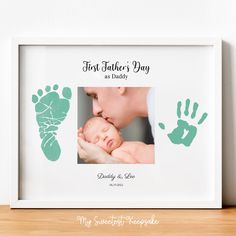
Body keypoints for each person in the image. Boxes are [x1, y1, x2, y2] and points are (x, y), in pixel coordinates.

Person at [77, 87, 155, 164]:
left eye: (96, 96)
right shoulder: (118, 153)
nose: (95, 111)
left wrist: (103, 159)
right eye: (97, 139)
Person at [82, 116, 154, 164]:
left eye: (105, 130)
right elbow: (136, 170)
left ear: (117, 129)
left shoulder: (125, 145)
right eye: (97, 140)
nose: (104, 137)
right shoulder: (117, 154)